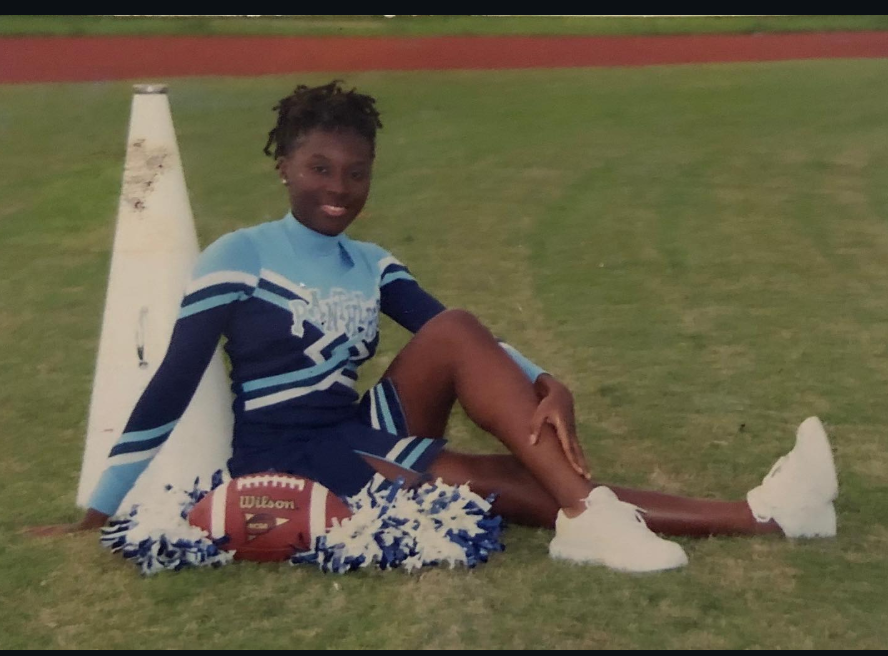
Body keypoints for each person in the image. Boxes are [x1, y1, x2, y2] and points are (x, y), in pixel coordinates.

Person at [31, 81, 838, 573]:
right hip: (290, 457)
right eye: (319, 169)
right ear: (283, 165)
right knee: (503, 482)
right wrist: (98, 513)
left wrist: (546, 381)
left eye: (356, 173)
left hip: (357, 427)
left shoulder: (369, 262)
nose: (338, 189)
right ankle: (735, 516)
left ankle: (722, 515)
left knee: (454, 336)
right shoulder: (236, 258)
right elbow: (170, 384)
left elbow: (459, 340)